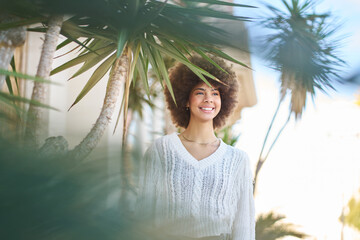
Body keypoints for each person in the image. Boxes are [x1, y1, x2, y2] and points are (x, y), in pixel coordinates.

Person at [136, 55, 255, 240]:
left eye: (215, 93)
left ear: (223, 100)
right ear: (185, 99)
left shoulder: (237, 159)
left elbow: (243, 225)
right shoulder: (161, 150)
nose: (208, 99)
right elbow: (143, 216)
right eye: (200, 92)